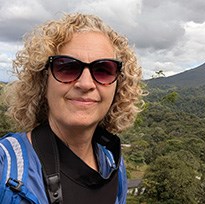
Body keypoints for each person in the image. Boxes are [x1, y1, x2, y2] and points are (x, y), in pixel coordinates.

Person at [0, 13, 144, 204]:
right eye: (67, 67)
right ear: (43, 82)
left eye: (103, 70)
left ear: (118, 87)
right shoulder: (6, 167)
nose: (85, 84)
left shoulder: (113, 164)